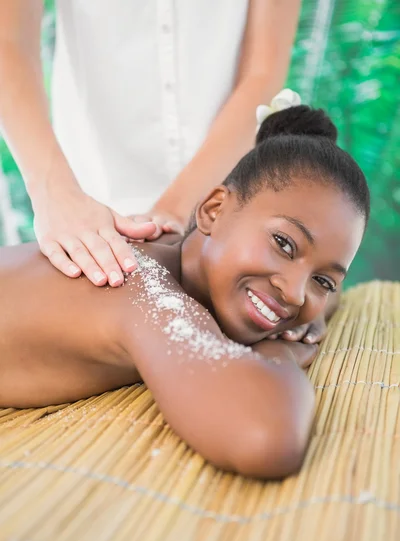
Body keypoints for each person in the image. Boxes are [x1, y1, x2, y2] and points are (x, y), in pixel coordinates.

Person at [0, 104, 369, 479]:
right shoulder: (139, 287)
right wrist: (280, 351)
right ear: (214, 210)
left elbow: (330, 294)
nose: (294, 293)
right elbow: (265, 437)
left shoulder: (182, 253)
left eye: (321, 281)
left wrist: (316, 306)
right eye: (284, 244)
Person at [0, 0, 301, 287]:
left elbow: (262, 71)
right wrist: (55, 195)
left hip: (224, 203)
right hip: (85, 203)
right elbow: (9, 43)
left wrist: (174, 212)